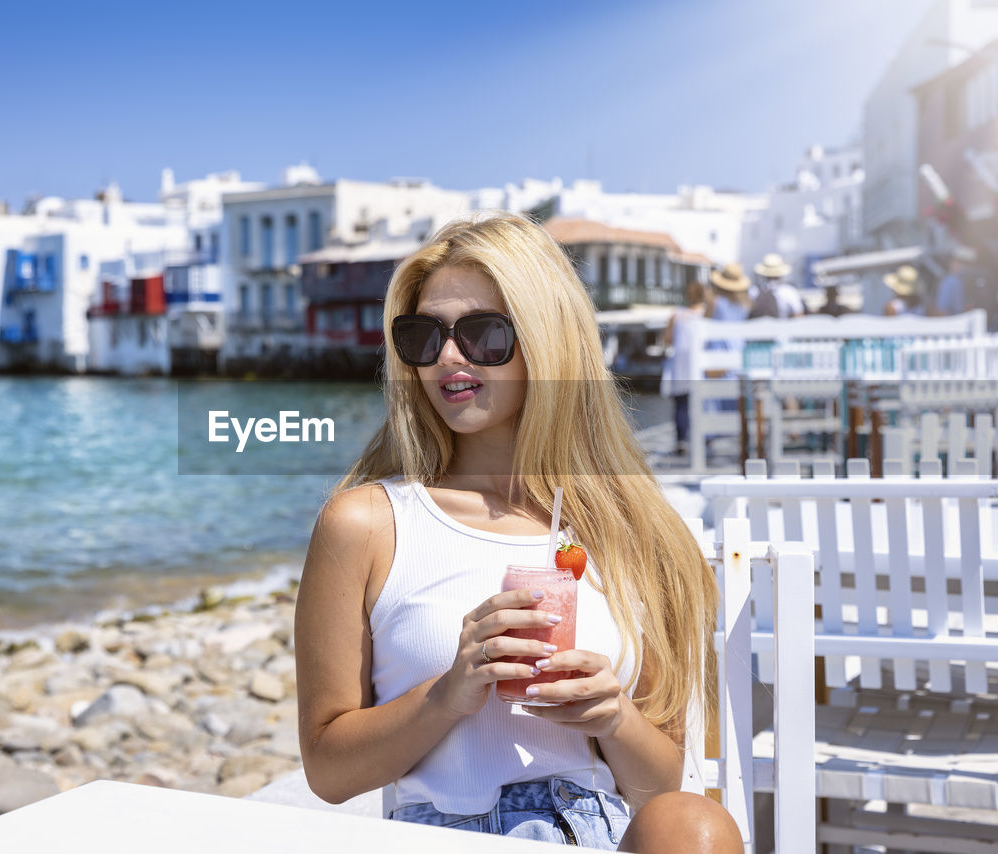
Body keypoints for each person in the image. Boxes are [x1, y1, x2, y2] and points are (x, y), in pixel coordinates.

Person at [295, 213, 743, 853]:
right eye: (424, 336)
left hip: (590, 830)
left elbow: (659, 783)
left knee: (694, 824)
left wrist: (612, 717)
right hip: (444, 832)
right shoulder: (367, 522)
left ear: (547, 338)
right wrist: (449, 692)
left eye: (482, 333)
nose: (449, 356)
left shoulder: (625, 530)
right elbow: (328, 772)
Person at [660, 280, 711, 455]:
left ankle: (681, 440)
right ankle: (705, 438)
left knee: (681, 405)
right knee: (703, 402)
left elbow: (667, 339)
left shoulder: (677, 314)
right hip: (700, 363)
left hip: (680, 364)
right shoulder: (706, 314)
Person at [747, 253, 804, 319]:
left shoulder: (753, 290)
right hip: (782, 327)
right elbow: (798, 314)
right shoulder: (789, 291)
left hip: (756, 327)